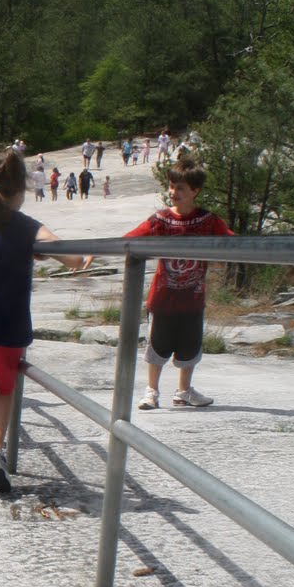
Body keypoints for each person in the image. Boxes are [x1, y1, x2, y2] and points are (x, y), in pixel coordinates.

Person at [0, 146, 91, 492]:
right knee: (4, 392)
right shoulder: (26, 228)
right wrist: (83, 259)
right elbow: (72, 258)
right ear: (21, 190)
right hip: (9, 328)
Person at [126, 158, 234, 410]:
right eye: (171, 186)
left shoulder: (208, 221)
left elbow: (230, 241)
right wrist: (96, 251)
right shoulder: (161, 220)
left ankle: (184, 391)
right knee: (157, 345)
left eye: (180, 188)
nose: (173, 193)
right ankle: (151, 391)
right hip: (164, 298)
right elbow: (132, 237)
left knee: (190, 346)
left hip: (193, 298)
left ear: (195, 191)